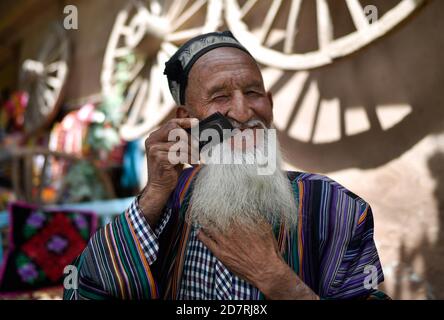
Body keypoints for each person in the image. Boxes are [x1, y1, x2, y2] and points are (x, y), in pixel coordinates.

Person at [64, 31, 389, 300]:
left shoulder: (334, 207)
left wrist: (276, 279)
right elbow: (81, 292)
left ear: (270, 105)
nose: (244, 111)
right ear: (187, 120)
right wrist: (153, 194)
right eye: (219, 97)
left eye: (253, 93)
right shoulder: (165, 205)